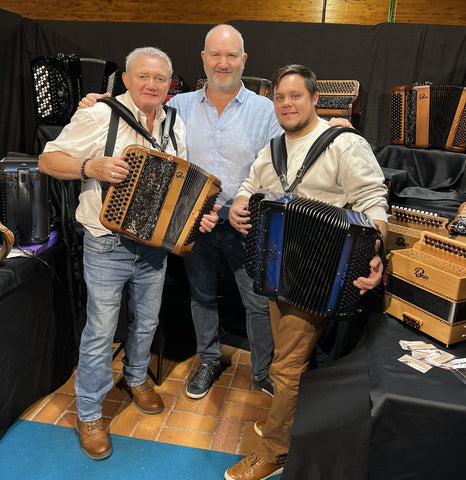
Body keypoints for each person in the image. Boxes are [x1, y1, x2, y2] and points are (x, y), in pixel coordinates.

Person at [79, 24, 280, 399]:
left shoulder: (266, 111)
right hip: (191, 224)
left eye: (231, 55)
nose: (223, 63)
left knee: (257, 302)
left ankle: (263, 372)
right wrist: (98, 103)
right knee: (201, 296)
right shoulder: (178, 106)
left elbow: (279, 161)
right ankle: (208, 359)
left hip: (244, 221)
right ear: (203, 59)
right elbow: (138, 111)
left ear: (244, 60)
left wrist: (332, 124)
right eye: (215, 55)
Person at [38, 47, 218, 461]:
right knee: (101, 330)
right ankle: (88, 412)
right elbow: (49, 160)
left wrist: (195, 218)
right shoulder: (100, 114)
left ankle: (136, 379)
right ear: (127, 80)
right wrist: (91, 167)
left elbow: (180, 181)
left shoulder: (175, 121)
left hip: (153, 244)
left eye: (160, 78)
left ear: (169, 84)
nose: (151, 85)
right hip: (106, 241)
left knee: (148, 320)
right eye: (143, 77)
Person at [224, 64, 388, 480]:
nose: (287, 104)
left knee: (286, 365)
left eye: (296, 96)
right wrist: (241, 203)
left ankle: (275, 451)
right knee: (290, 360)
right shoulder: (273, 147)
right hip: (279, 269)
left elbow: (373, 202)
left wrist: (377, 250)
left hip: (322, 272)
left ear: (315, 99)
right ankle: (295, 422)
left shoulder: (344, 144)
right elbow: (250, 183)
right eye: (280, 97)